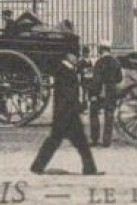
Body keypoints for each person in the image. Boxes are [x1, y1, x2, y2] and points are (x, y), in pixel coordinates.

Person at [30, 48, 101, 176]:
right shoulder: (64, 71)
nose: (77, 58)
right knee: (75, 143)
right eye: (75, 55)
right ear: (68, 56)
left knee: (63, 142)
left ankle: (37, 166)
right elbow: (68, 94)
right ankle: (89, 169)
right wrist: (78, 106)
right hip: (67, 114)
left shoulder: (65, 70)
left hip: (65, 114)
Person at [86, 41, 123, 147]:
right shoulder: (115, 62)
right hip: (111, 91)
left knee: (94, 113)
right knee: (109, 115)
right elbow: (119, 78)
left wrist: (92, 94)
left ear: (101, 50)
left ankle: (95, 138)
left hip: (100, 91)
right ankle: (106, 141)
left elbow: (96, 80)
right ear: (109, 50)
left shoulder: (99, 62)